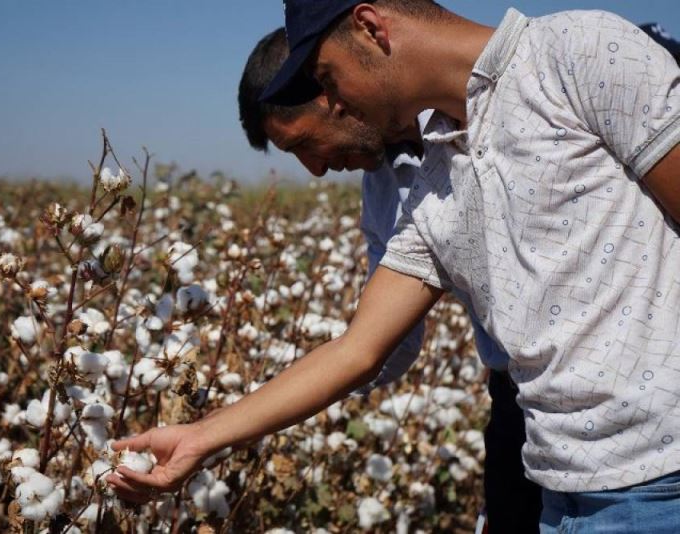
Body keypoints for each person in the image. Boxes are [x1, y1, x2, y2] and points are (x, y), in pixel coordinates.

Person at [255, 1, 680, 531]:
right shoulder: (436, 177)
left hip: (658, 480)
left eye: (328, 78)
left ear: (370, 27)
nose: (335, 102)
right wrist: (203, 436)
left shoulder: (580, 52)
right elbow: (362, 350)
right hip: (555, 476)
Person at [238, 27, 540, 532]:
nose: (315, 169)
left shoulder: (499, 108)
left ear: (335, 90)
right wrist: (307, 384)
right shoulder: (382, 187)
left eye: (305, 144)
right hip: (516, 405)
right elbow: (380, 344)